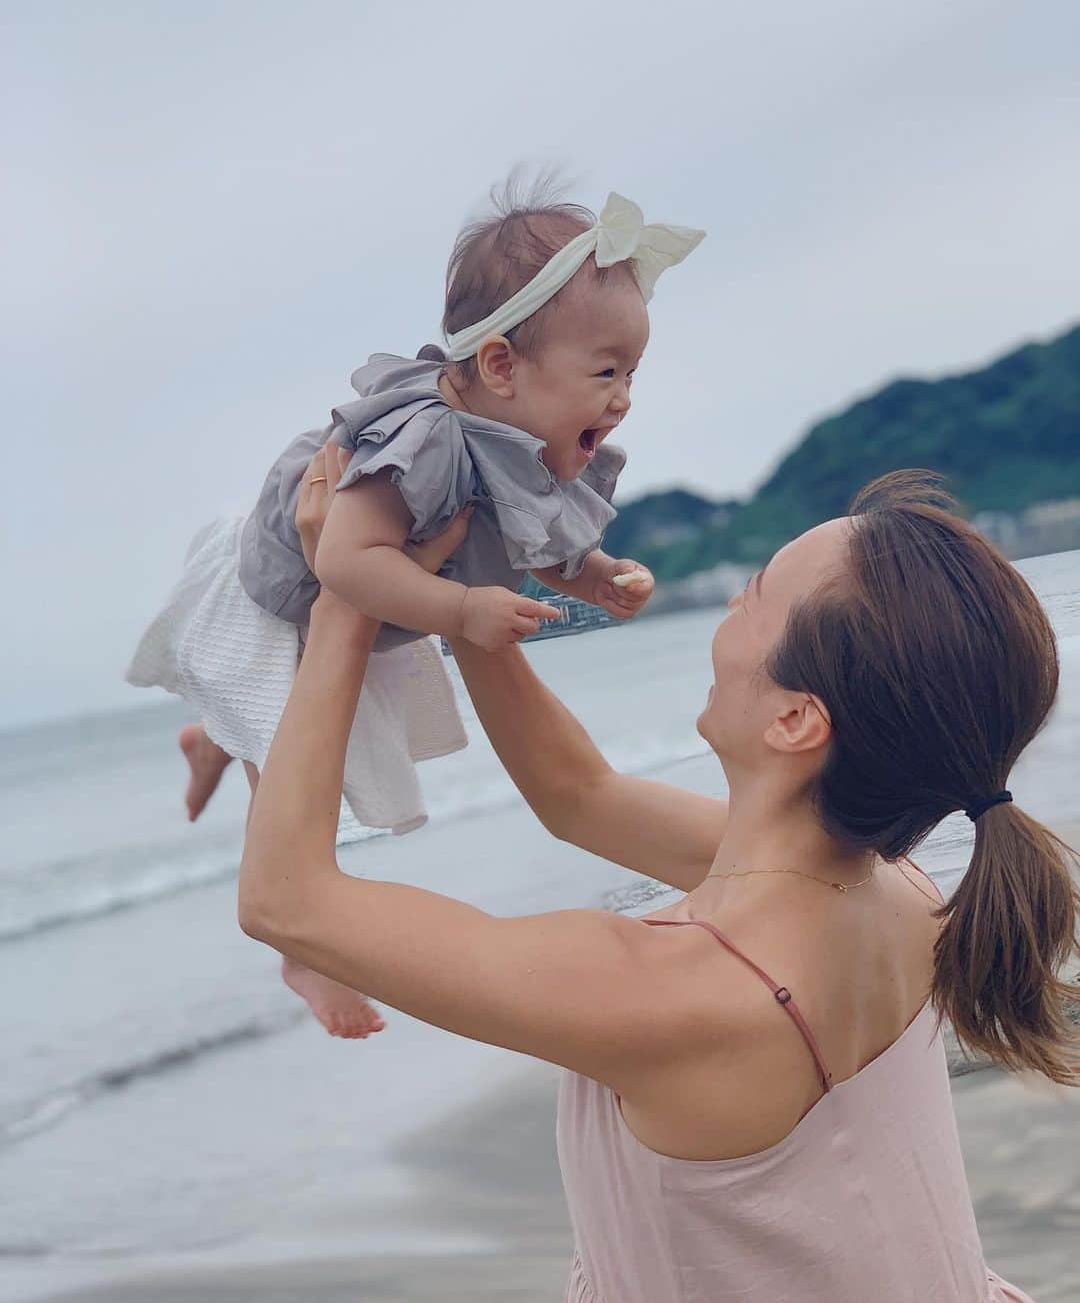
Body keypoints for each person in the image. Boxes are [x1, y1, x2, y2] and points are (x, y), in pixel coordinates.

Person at [239, 459, 1078, 1301]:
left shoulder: (683, 993)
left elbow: (284, 899)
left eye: (753, 594)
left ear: (795, 719)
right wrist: (464, 591)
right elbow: (580, 798)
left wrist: (344, 598)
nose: (726, 607)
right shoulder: (891, 891)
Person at [125, 184, 704, 1037]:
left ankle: (207, 738)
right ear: (502, 366)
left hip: (381, 595)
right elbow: (346, 560)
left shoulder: (518, 438)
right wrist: (461, 609)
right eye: (606, 372)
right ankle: (304, 952)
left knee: (289, 735)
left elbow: (536, 536)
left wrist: (597, 575)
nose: (623, 398)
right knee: (289, 768)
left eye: (632, 374)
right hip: (287, 593)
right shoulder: (426, 440)